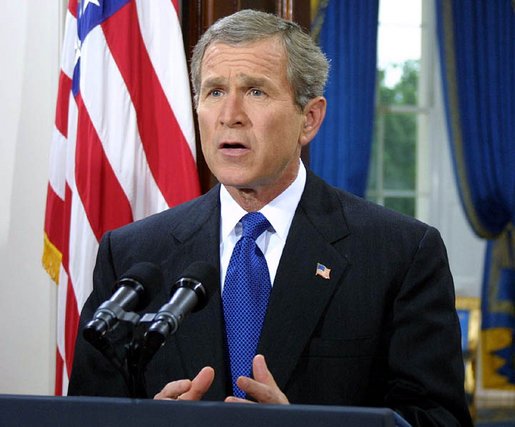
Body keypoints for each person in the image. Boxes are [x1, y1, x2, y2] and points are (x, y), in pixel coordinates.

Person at [69, 9, 472, 426]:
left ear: (309, 119)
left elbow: (439, 420)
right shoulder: (132, 254)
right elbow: (83, 415)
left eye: (256, 92)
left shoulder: (399, 254)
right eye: (214, 92)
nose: (230, 114)